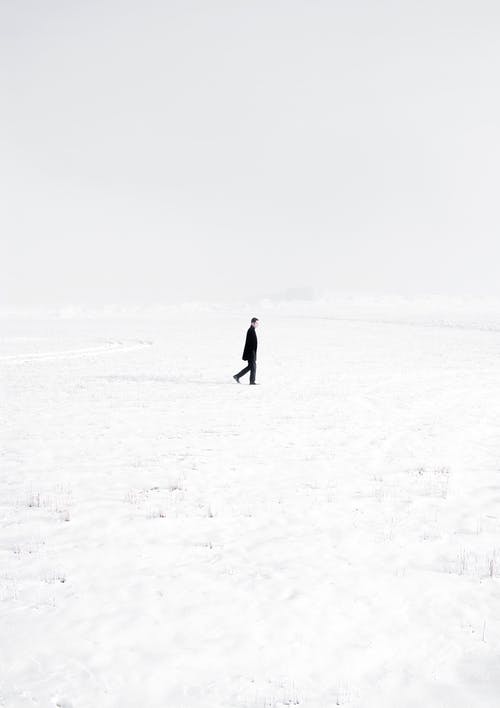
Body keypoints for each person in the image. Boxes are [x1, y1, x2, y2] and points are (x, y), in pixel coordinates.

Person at [233, 317, 259, 384]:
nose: (257, 324)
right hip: (250, 353)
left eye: (257, 323)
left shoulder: (252, 330)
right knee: (253, 367)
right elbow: (249, 344)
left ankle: (237, 376)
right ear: (252, 323)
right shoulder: (250, 330)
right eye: (256, 323)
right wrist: (252, 354)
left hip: (252, 352)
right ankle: (252, 381)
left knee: (251, 366)